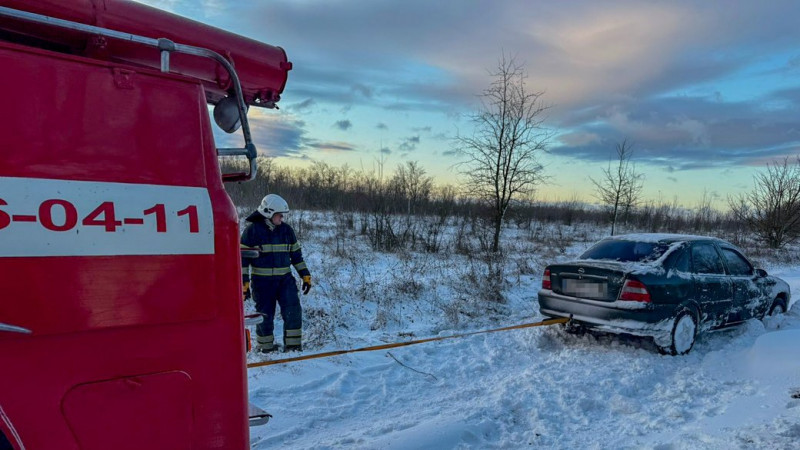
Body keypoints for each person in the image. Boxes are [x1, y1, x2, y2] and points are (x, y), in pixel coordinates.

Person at [241, 194, 311, 352]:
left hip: (285, 281)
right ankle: (266, 348)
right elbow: (242, 261)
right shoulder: (251, 232)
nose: (282, 218)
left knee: (293, 311)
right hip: (262, 282)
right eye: (279, 215)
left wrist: (305, 275)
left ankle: (293, 347)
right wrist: (244, 283)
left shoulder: (287, 231)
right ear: (269, 213)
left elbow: (296, 256)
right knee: (264, 315)